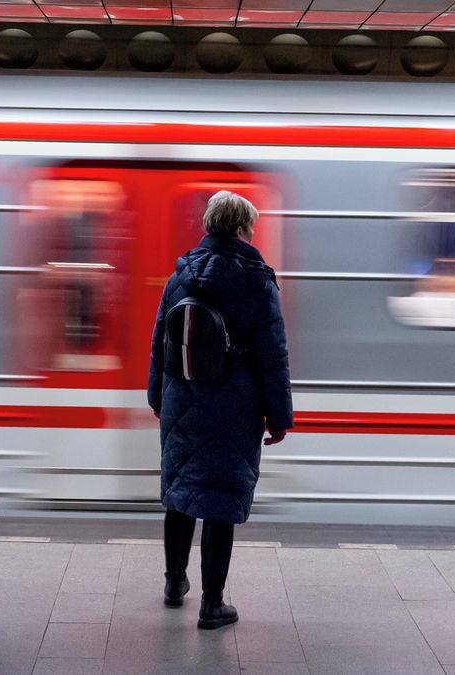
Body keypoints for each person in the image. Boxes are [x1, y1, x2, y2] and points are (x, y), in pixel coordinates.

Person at [147, 190, 293, 630]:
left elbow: (160, 345)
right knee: (220, 500)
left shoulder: (180, 276)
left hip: (182, 398)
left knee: (181, 494)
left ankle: (175, 584)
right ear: (243, 227)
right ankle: (213, 605)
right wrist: (279, 416)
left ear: (210, 225)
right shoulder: (256, 281)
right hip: (235, 405)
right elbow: (273, 355)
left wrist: (158, 398)